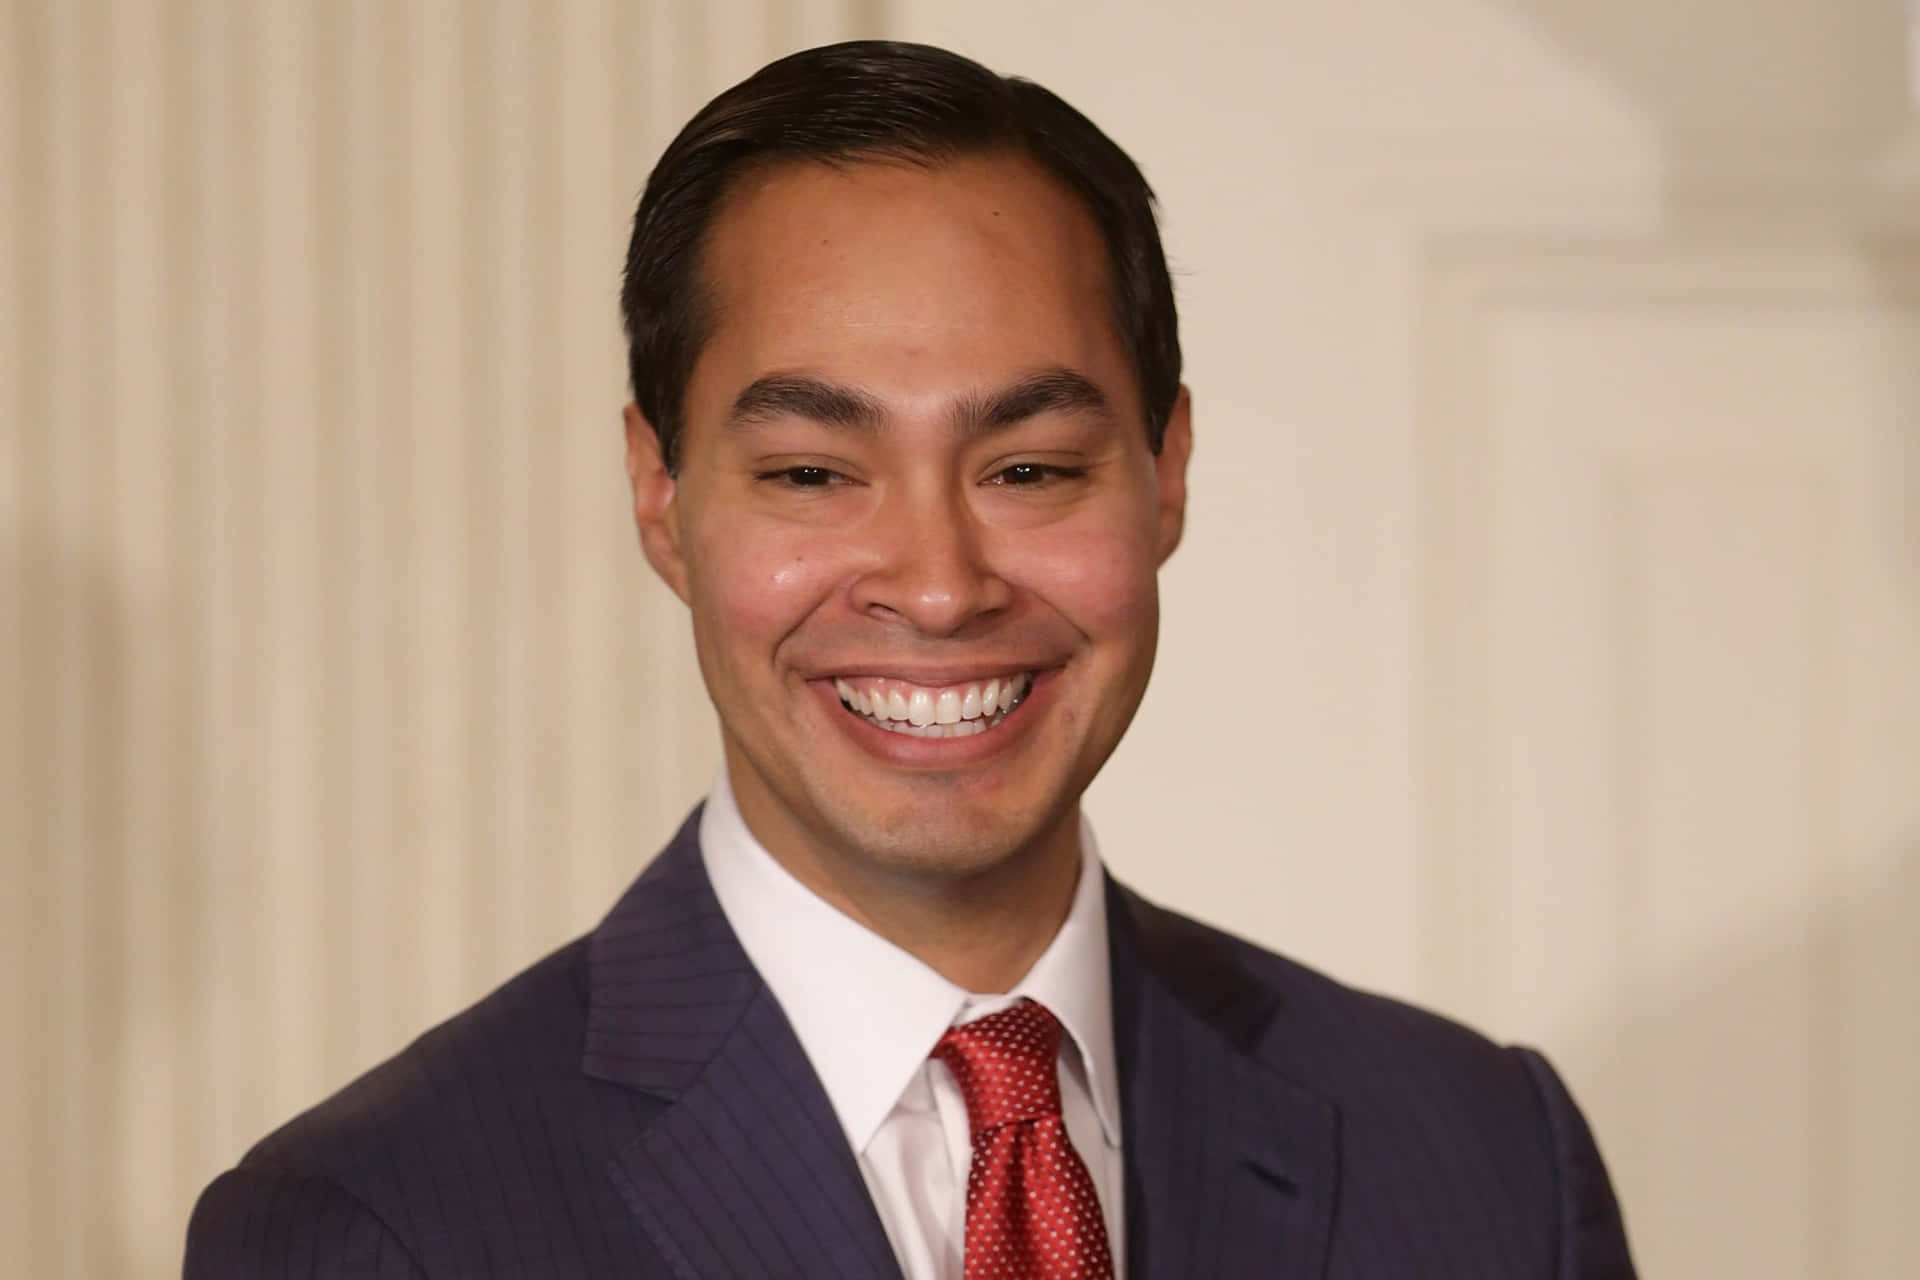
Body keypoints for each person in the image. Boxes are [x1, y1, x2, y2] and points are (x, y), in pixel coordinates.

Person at [185, 40, 1635, 1279]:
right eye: (816, 475)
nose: (940, 588)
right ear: (661, 496)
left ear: (1168, 469)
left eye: (1031, 468)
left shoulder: (1481, 1161)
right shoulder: (380, 1228)